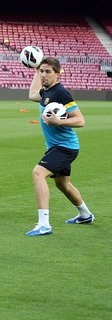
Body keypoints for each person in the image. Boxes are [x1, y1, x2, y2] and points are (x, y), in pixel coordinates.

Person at [26, 57, 94, 236]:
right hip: (57, 146)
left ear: (57, 74)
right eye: (42, 71)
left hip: (65, 147)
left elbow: (80, 120)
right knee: (63, 184)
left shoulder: (61, 93)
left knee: (38, 173)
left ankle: (44, 224)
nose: (44, 75)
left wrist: (58, 121)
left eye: (48, 72)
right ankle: (85, 215)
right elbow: (32, 95)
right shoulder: (46, 91)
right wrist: (35, 68)